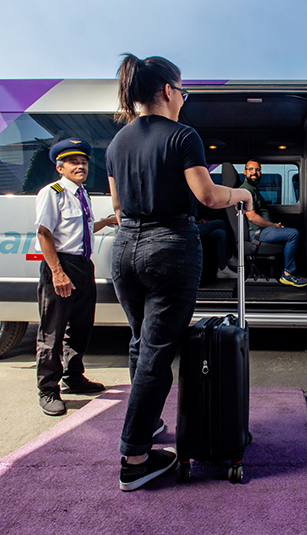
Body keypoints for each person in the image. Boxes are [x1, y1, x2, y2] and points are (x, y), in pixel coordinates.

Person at [106, 53, 253, 491]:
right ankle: (134, 458)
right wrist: (241, 192)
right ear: (169, 90)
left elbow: (117, 209)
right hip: (168, 248)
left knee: (140, 343)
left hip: (124, 248)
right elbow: (207, 196)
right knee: (156, 352)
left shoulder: (117, 144)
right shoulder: (183, 135)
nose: (184, 97)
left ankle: (147, 425)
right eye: (183, 90)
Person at [34, 139, 118, 416]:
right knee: (52, 331)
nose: (80, 166)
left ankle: (74, 376)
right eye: (73, 162)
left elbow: (80, 231)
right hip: (61, 265)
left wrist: (106, 222)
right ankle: (48, 390)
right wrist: (57, 272)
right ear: (60, 167)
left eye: (83, 162)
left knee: (81, 326)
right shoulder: (53, 193)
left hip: (83, 265)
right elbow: (45, 233)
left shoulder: (83, 194)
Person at [239, 160, 307, 287]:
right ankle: (287, 274)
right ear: (245, 172)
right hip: (258, 233)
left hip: (263, 230)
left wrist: (275, 225)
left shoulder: (253, 190)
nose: (254, 172)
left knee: (294, 230)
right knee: (293, 234)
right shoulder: (246, 190)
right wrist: (274, 226)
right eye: (251, 169)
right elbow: (252, 217)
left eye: (258, 170)